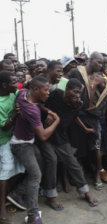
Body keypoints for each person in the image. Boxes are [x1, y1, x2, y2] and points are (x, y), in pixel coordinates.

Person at [40, 78, 98, 210]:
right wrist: (49, 112)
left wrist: (84, 128)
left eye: (80, 93)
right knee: (52, 161)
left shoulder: (77, 104)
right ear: (67, 90)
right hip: (46, 135)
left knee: (73, 163)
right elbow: (38, 104)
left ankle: (85, 191)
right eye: (75, 92)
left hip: (61, 136)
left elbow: (75, 116)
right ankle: (51, 197)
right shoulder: (56, 95)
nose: (78, 95)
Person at [10, 76, 60, 224]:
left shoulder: (23, 93)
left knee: (42, 163)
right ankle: (32, 216)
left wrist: (48, 110)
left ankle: (16, 193)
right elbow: (43, 136)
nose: (48, 93)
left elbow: (35, 103)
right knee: (35, 175)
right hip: (20, 145)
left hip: (27, 142)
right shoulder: (32, 110)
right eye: (46, 90)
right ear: (36, 89)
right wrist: (56, 119)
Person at [68, 51, 107, 190]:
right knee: (76, 146)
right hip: (76, 114)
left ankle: (97, 174)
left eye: (103, 63)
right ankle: (77, 175)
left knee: (96, 147)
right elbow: (68, 89)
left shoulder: (100, 77)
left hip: (92, 116)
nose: (101, 65)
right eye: (99, 62)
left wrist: (101, 84)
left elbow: (104, 98)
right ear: (90, 60)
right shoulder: (76, 72)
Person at [0, 71, 24, 224]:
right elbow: (4, 127)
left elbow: (24, 91)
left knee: (21, 168)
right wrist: (15, 114)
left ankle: (8, 194)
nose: (16, 85)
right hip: (3, 140)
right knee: (7, 169)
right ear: (4, 85)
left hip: (13, 138)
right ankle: (1, 205)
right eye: (13, 83)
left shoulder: (13, 93)